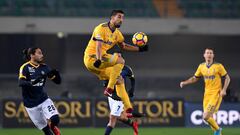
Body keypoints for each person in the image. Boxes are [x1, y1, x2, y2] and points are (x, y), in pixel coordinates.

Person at [83, 9, 148, 113]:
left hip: (99, 63)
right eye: (119, 17)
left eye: (122, 18)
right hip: (92, 58)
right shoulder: (101, 28)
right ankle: (109, 88)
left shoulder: (117, 34)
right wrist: (99, 59)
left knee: (119, 79)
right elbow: (98, 46)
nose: (121, 20)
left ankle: (129, 110)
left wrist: (140, 49)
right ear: (112, 18)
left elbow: (124, 46)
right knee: (120, 61)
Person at [180, 48, 230, 135]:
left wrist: (224, 90)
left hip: (216, 94)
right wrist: (185, 82)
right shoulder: (201, 66)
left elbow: (227, 78)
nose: (209, 55)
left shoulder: (218, 66)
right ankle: (218, 132)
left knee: (205, 116)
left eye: (211, 53)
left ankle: (218, 130)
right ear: (204, 55)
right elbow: (194, 78)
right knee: (208, 117)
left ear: (213, 55)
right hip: (207, 94)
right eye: (207, 53)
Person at [18, 47, 62, 135]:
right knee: (46, 131)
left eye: (42, 53)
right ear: (32, 55)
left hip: (43, 99)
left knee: (55, 119)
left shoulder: (45, 67)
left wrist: (57, 74)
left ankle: (52, 125)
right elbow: (21, 82)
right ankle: (49, 128)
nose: (42, 55)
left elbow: (58, 82)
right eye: (39, 53)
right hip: (30, 105)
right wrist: (33, 82)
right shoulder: (25, 67)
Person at [103, 65, 144, 135]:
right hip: (111, 96)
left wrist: (132, 90)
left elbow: (132, 78)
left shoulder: (126, 69)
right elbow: (105, 81)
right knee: (119, 117)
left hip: (119, 97)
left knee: (112, 118)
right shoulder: (109, 67)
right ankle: (133, 121)